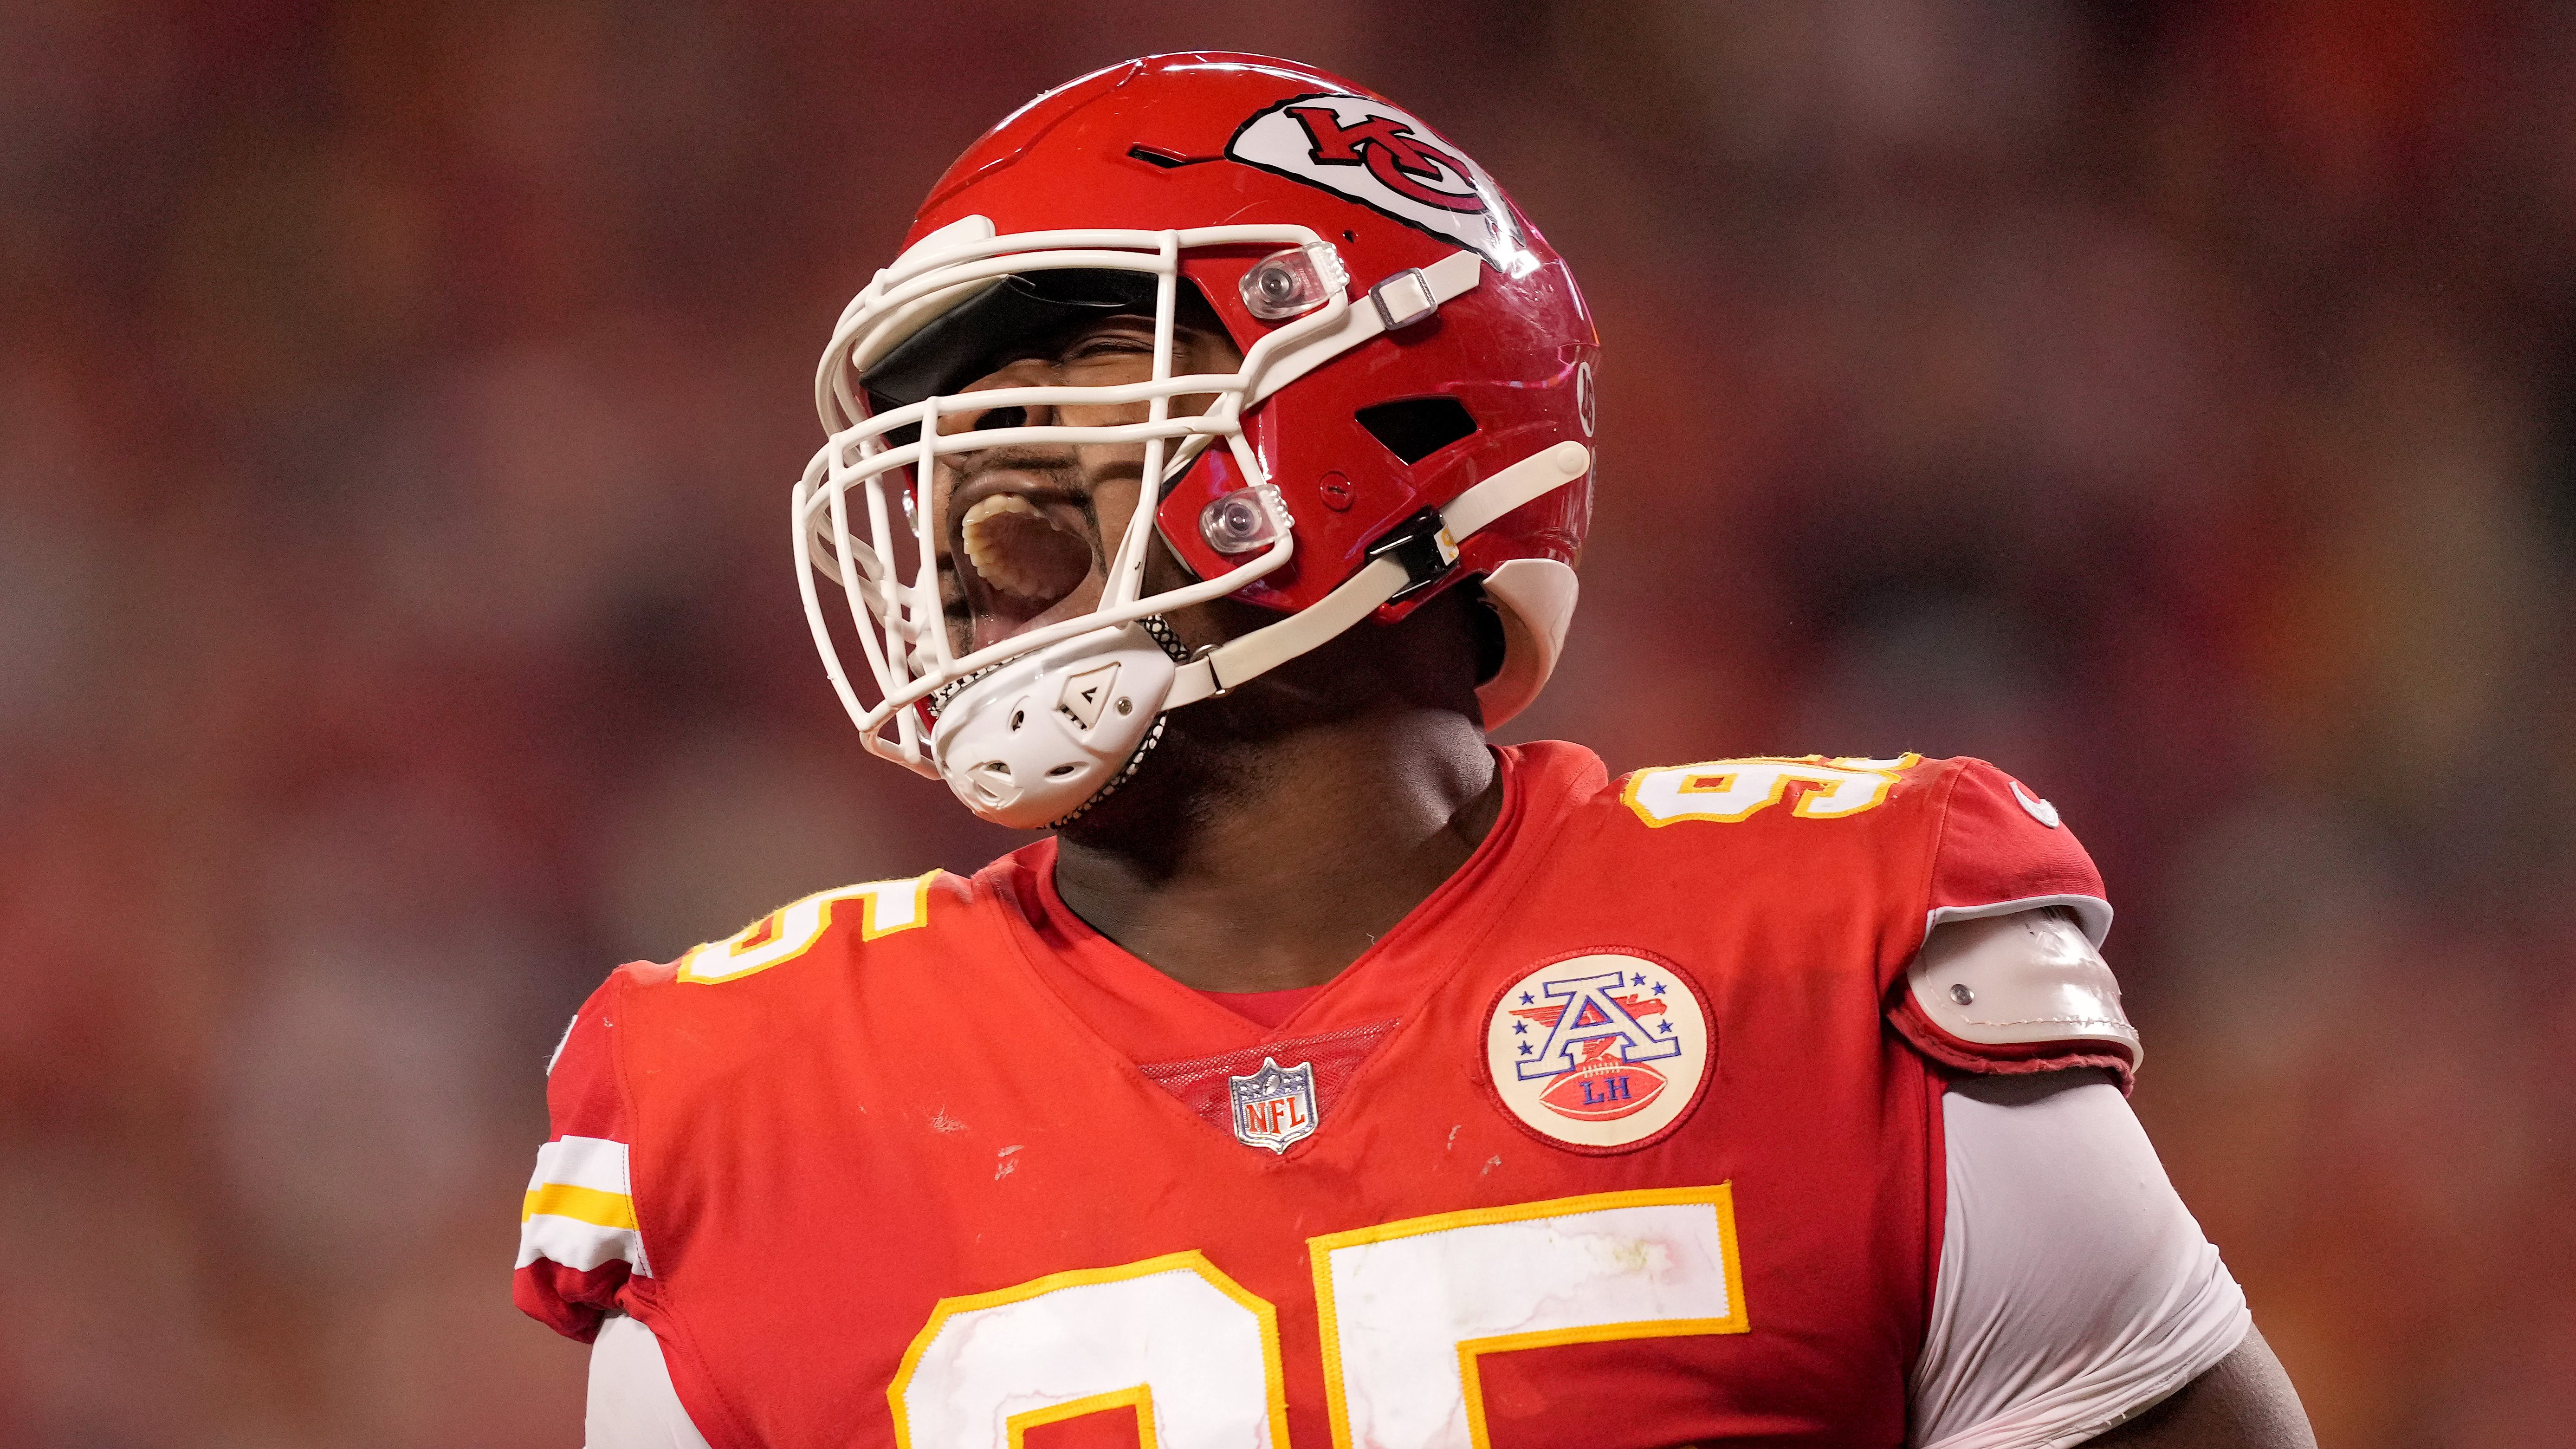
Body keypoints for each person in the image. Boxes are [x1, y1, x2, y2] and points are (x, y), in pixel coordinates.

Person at [515, 53, 2317, 1449]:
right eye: (941, 421)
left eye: (1062, 369)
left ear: (1383, 409)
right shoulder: (746, 1101)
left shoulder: (1816, 962)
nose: (973, 505)